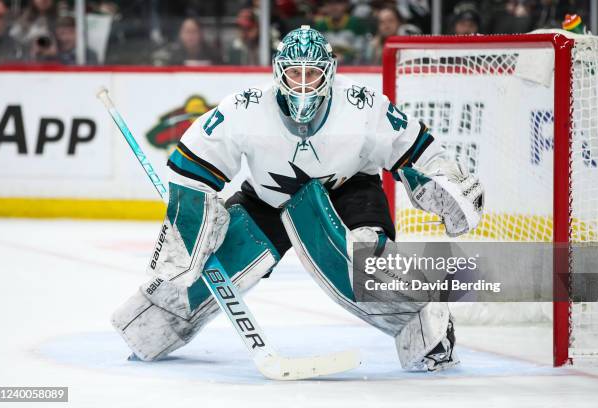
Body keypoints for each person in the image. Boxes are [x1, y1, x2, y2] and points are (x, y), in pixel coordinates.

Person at [111, 26, 484, 372]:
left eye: (312, 74)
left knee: (368, 260)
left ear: (329, 73)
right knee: (202, 276)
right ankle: (158, 320)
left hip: (350, 191)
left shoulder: (362, 104)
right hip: (268, 201)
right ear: (278, 72)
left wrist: (442, 181)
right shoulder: (245, 108)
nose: (303, 84)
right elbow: (191, 167)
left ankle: (424, 322)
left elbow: (416, 149)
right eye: (295, 74)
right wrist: (191, 229)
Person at [313, 0, 368, 64]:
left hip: (351, 65)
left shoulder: (356, 23)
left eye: (338, 4)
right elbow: (317, 50)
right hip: (327, 64)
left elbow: (360, 50)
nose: (334, 8)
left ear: (345, 5)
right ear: (326, 6)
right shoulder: (320, 25)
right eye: (331, 4)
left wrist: (346, 56)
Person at [152, 17, 219, 66]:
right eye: (187, 32)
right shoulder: (174, 57)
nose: (190, 36)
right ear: (181, 34)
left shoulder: (213, 55)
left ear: (201, 33)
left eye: (194, 31)